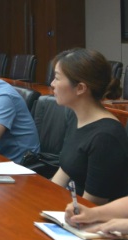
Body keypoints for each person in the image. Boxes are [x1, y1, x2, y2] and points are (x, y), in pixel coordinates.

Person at [49, 48, 128, 205]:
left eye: (57, 78)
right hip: (70, 206)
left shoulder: (105, 137)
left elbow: (91, 206)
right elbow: (65, 170)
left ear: (80, 88)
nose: (52, 84)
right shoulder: (76, 118)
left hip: (90, 215)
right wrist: (42, 201)